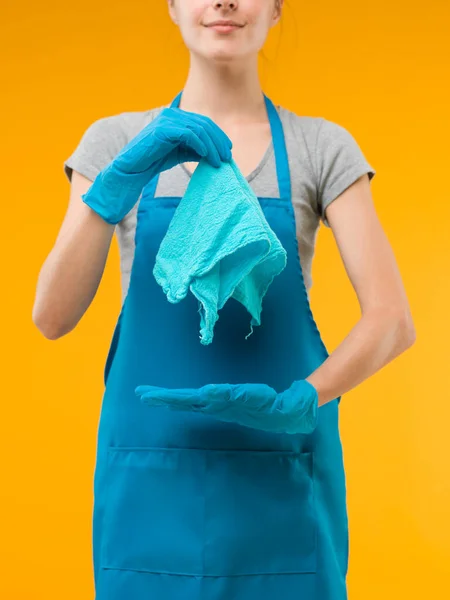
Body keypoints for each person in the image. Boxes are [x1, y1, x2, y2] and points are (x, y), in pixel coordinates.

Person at [32, 1, 416, 599]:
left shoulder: (319, 147)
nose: (224, 1)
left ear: (277, 7)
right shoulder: (117, 142)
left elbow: (393, 320)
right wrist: (109, 192)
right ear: (172, 5)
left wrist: (305, 398)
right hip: (147, 493)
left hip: (282, 489)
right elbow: (52, 317)